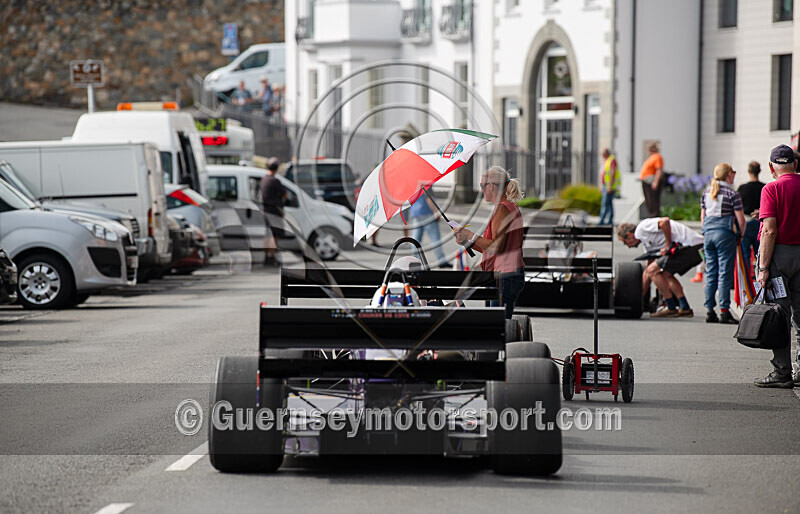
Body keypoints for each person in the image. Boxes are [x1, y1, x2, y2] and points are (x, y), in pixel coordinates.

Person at [754, 145, 800, 388]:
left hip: (780, 256)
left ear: (772, 167)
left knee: (780, 314)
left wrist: (763, 268)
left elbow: (770, 230)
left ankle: (782, 372)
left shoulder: (771, 189)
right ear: (795, 163)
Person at [453, 166, 524, 319]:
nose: (481, 190)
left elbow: (496, 247)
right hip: (507, 274)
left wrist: (470, 235)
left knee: (499, 325)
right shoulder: (508, 207)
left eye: (482, 186)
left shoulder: (502, 209)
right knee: (499, 323)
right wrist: (467, 242)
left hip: (505, 275)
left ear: (491, 186)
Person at [617, 218, 703, 318]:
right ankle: (685, 308)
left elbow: (665, 221)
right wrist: (638, 298)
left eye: (625, 242)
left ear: (629, 235)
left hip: (688, 245)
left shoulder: (641, 228)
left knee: (654, 271)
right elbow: (648, 270)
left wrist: (667, 244)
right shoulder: (646, 243)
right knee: (665, 274)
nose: (628, 246)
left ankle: (671, 307)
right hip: (695, 247)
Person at [701, 163, 746, 324]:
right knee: (725, 273)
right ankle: (724, 310)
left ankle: (709, 310)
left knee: (711, 272)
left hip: (708, 234)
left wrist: (705, 232)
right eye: (733, 172)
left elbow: (703, 218)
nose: (734, 175)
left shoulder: (707, 192)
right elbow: (741, 220)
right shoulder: (732, 194)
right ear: (728, 175)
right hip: (724, 235)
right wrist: (740, 235)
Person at [737, 161, 765, 279]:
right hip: (760, 222)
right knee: (761, 253)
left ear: (749, 171)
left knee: (745, 254)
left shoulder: (742, 188)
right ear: (760, 171)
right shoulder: (764, 187)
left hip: (746, 222)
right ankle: (760, 275)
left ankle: (746, 280)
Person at [259, 157, 287, 266]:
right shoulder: (275, 181)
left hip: (266, 211)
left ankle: (267, 257)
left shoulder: (264, 179)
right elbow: (285, 194)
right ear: (276, 168)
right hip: (275, 211)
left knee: (268, 235)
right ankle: (273, 257)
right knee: (275, 235)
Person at [409, 193, 447, 266]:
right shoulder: (426, 183)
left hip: (416, 212)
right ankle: (441, 261)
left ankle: (415, 261)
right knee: (435, 238)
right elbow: (428, 197)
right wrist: (435, 211)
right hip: (427, 212)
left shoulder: (413, 185)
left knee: (416, 239)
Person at [640, 143, 664, 217]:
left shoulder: (657, 157)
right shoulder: (651, 157)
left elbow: (659, 170)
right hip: (646, 181)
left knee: (653, 201)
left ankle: (655, 216)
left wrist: (655, 182)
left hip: (651, 182)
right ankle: (653, 215)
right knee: (649, 201)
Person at [598, 148, 619, 225]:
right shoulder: (607, 160)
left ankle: (602, 220)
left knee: (605, 203)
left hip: (609, 186)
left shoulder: (611, 160)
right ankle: (609, 220)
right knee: (609, 204)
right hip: (605, 185)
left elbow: (612, 173)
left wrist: (609, 186)